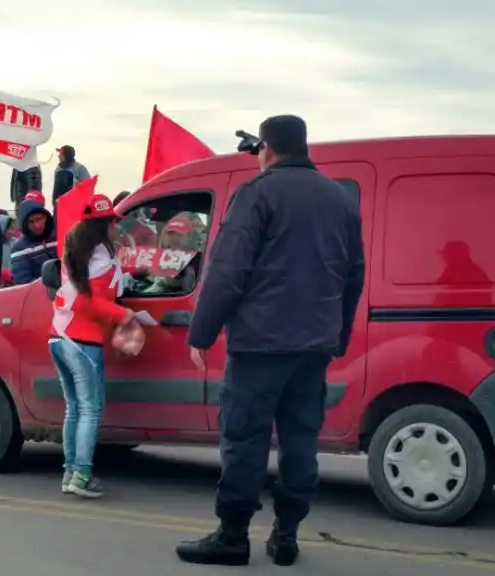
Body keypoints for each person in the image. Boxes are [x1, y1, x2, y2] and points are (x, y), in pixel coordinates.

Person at [176, 115, 365, 567]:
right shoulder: (340, 199)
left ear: (267, 148)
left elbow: (228, 270)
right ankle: (287, 534)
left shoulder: (257, 194)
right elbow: (353, 274)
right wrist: (337, 335)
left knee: (244, 437)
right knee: (301, 439)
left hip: (260, 344)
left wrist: (201, 332)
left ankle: (233, 535)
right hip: (313, 346)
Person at [50, 193, 134, 498]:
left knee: (74, 409)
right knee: (90, 409)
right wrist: (123, 313)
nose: (116, 227)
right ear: (105, 224)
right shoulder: (100, 255)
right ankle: (81, 475)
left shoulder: (76, 250)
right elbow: (91, 303)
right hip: (82, 340)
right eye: (113, 221)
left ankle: (71, 472)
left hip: (59, 336)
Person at [10, 198, 56, 284]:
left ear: (46, 217)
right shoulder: (19, 249)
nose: (37, 225)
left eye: (39, 218)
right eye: (31, 222)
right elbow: (23, 282)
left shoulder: (57, 237)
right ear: (25, 225)